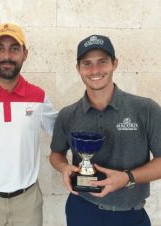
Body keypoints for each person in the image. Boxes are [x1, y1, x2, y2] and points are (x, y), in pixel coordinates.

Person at [50, 34, 161, 226]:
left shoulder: (146, 109)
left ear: (115, 63)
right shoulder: (67, 115)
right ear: (78, 68)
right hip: (82, 211)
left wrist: (128, 177)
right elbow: (56, 154)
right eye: (87, 63)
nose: (95, 70)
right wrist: (63, 167)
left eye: (102, 61)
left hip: (131, 216)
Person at [0, 23, 57, 226]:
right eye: (0, 48)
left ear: (25, 54)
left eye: (14, 49)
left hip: (28, 201)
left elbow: (63, 130)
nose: (7, 56)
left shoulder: (38, 97)